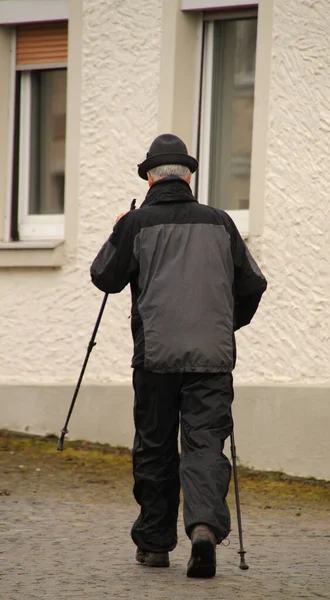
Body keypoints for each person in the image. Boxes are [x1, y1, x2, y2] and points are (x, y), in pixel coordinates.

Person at [90, 133, 267, 578]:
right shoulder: (221, 222)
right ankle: (204, 528)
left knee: (155, 445)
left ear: (149, 177)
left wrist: (118, 228)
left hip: (156, 357)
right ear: (188, 176)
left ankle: (154, 545)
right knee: (205, 443)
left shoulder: (136, 223)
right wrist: (226, 324)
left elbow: (104, 278)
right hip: (212, 355)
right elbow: (253, 284)